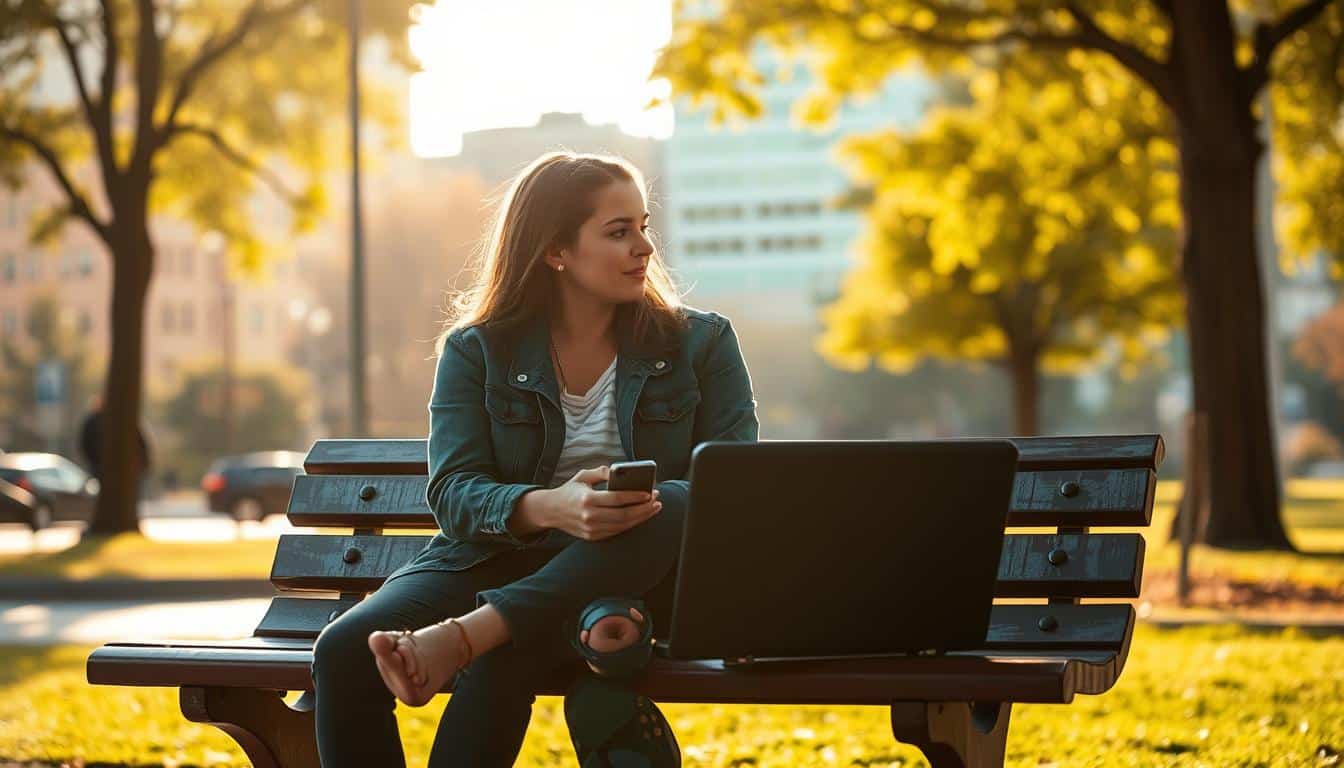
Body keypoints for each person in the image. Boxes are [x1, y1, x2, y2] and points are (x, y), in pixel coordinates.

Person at [310, 151, 759, 767]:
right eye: (619, 231)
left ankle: (473, 634)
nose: (646, 247)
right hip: (496, 557)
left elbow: (735, 490)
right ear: (556, 251)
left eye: (645, 225)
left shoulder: (701, 342)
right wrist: (550, 506)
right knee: (342, 649)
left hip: (637, 570)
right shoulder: (476, 351)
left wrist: (601, 520)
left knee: (677, 500)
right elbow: (453, 491)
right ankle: (488, 627)